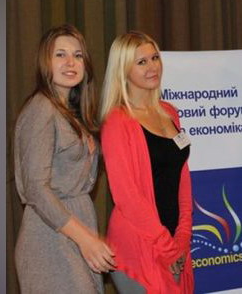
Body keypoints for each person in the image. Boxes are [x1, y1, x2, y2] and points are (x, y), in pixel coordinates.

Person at [14, 24, 115, 293]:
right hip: (49, 237)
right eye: (60, 54)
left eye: (78, 55)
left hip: (76, 228)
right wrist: (86, 240)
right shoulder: (41, 109)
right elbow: (36, 188)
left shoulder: (72, 113)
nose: (71, 62)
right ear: (45, 62)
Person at [100, 31, 193, 293]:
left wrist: (182, 237)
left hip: (174, 245)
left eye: (155, 58)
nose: (153, 67)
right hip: (138, 247)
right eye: (142, 62)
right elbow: (127, 198)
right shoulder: (117, 122)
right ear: (123, 70)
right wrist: (167, 247)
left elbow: (181, 176)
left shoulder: (169, 112)